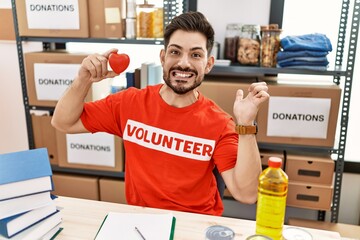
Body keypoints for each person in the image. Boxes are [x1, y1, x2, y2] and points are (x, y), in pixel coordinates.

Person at [52, 11, 269, 216]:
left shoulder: (220, 124)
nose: (184, 63)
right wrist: (83, 80)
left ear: (208, 64)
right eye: (175, 52)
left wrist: (247, 124)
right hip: (143, 222)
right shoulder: (129, 103)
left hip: (195, 225)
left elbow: (247, 194)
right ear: (163, 58)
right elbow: (63, 122)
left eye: (195, 55)